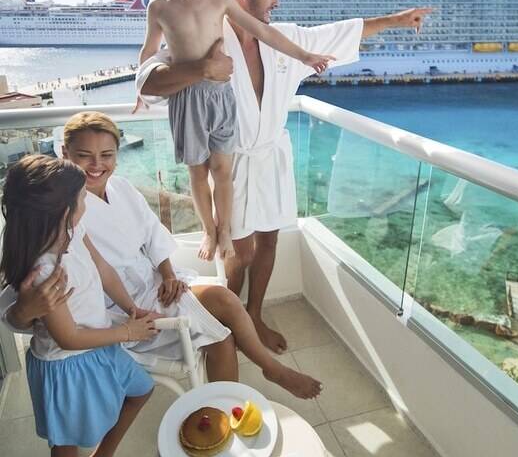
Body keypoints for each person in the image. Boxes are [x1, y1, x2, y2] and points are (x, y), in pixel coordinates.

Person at [138, 0, 432, 352]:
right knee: (239, 252)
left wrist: (396, 20)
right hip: (232, 162)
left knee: (269, 241)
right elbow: (148, 80)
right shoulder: (203, 37)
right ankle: (229, 322)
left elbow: (339, 33)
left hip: (272, 157)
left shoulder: (282, 39)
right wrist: (202, 70)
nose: (277, 1)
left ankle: (254, 315)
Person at [2, 112, 322, 399]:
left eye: (107, 155)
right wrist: (24, 310)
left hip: (154, 285)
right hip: (118, 312)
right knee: (222, 335)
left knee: (225, 302)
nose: (97, 165)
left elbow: (153, 233)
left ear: (117, 156)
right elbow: (20, 305)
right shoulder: (57, 214)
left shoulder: (122, 188)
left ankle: (240, 396)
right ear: (64, 153)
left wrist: (168, 274)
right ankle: (259, 379)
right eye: (84, 156)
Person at [139, 0, 335, 261]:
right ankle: (209, 230)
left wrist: (305, 56)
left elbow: (266, 33)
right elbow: (148, 54)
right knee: (197, 172)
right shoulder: (159, 8)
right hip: (186, 99)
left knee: (222, 170)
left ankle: (225, 230)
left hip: (220, 95)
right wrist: (139, 92)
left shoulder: (220, 1)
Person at [0, 155, 156, 457]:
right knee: (66, 441)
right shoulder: (46, 272)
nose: (87, 201)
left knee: (141, 390)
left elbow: (104, 270)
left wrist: (131, 307)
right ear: (64, 211)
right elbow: (68, 338)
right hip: (68, 366)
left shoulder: (74, 231)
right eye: (83, 197)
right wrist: (128, 332)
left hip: (99, 346)